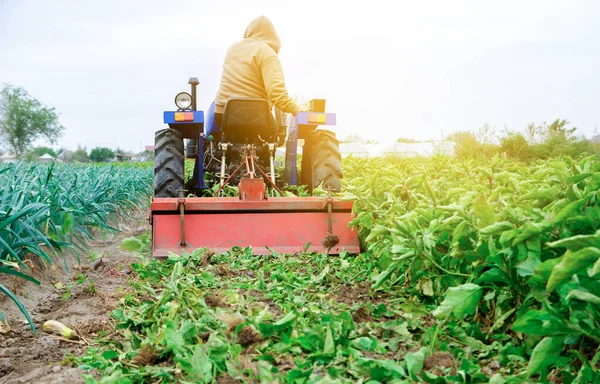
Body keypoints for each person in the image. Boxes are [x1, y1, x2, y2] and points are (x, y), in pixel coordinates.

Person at [206, 15, 302, 143]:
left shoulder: (232, 50)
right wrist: (296, 109)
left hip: (223, 114)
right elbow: (276, 93)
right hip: (257, 116)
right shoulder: (267, 53)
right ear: (273, 37)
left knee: (217, 139)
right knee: (274, 136)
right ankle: (266, 160)